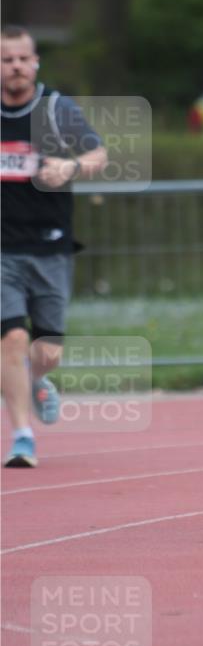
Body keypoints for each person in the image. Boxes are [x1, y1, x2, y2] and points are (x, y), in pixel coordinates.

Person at [1, 25, 107, 467]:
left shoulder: (56, 108)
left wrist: (68, 167)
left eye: (22, 59)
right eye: (7, 60)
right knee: (12, 337)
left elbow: (98, 156)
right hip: (3, 249)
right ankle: (22, 437)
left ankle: (35, 380)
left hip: (50, 245)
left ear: (36, 62)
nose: (16, 67)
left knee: (46, 352)